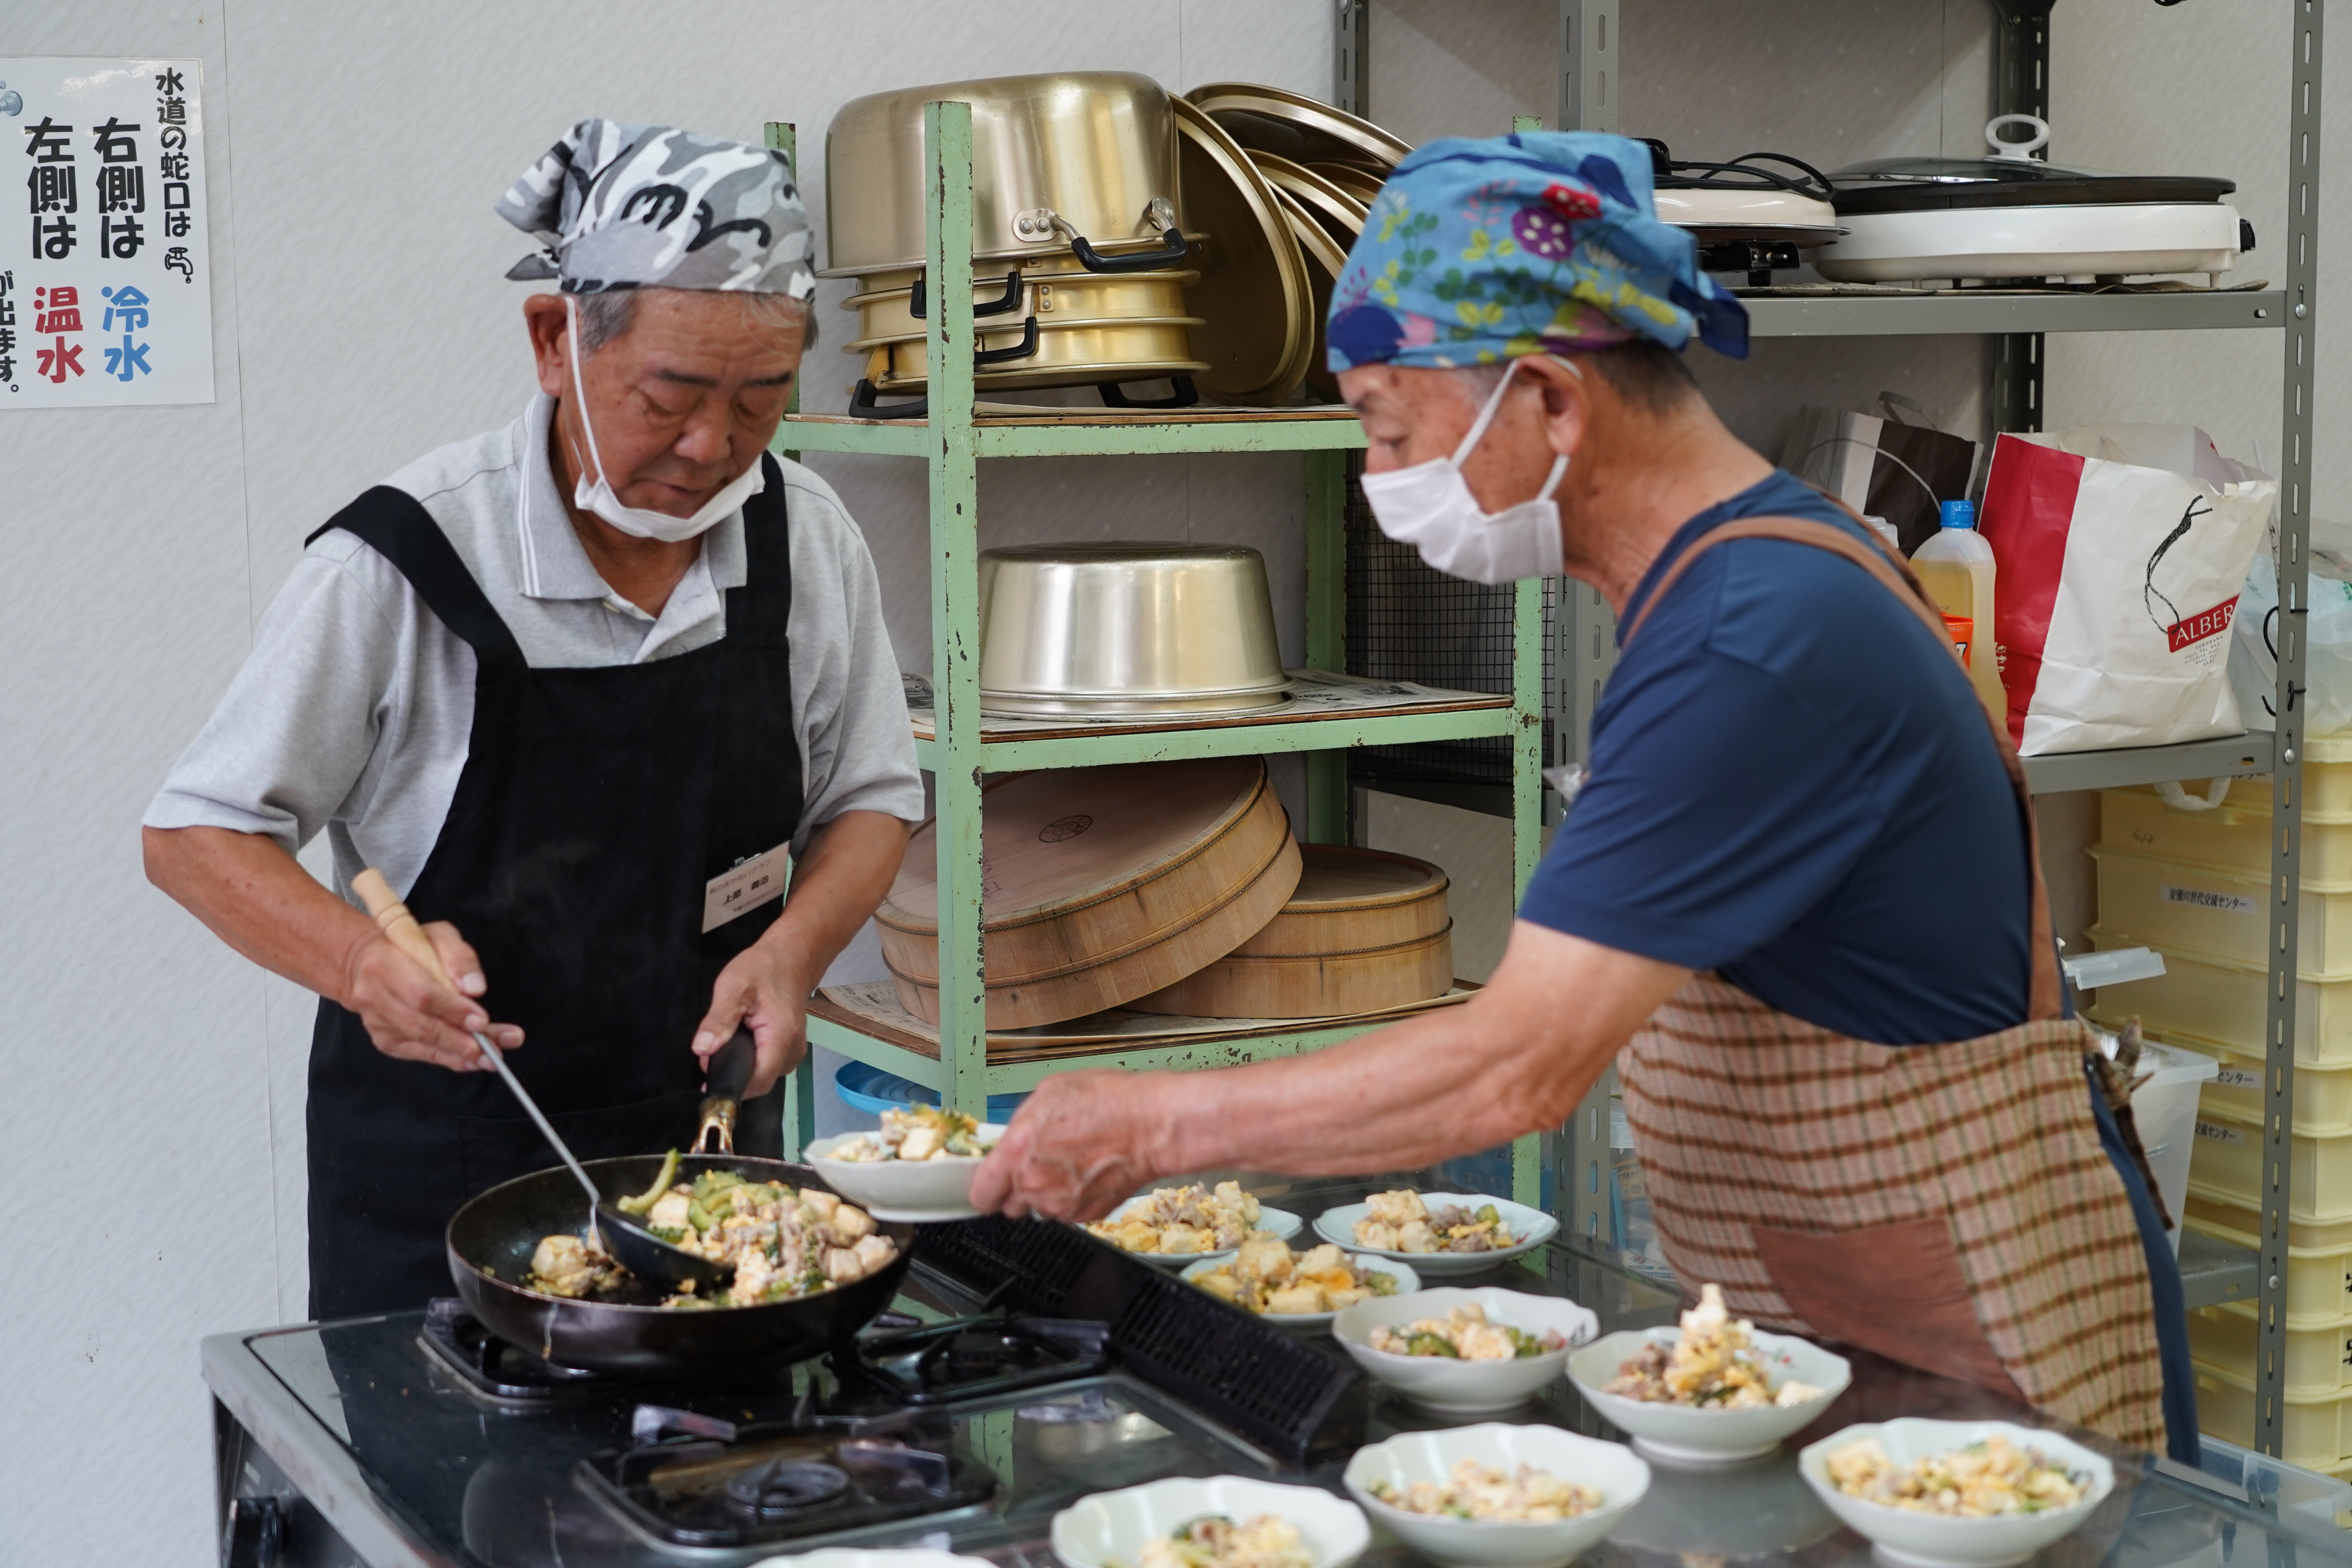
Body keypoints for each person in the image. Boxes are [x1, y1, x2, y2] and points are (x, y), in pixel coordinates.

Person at [972, 131, 2194, 1461]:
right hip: (1862, 1327)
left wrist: (1151, 1120)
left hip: (1984, 1360)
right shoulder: (1730, 587)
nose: (1381, 480)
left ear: (1550, 399)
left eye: (1390, 429)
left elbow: (1515, 1069)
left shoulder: (1753, 638)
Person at [144, 120, 921, 1317]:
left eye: (762, 401)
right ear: (556, 341)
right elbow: (195, 834)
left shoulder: (802, 535)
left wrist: (795, 952)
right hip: (446, 1183)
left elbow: (870, 796)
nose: (714, 448)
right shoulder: (405, 559)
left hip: (713, 1158)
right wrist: (362, 963)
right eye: (672, 397)